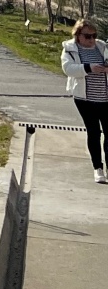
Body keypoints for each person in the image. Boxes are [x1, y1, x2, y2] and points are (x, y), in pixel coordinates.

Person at [62, 18, 108, 182]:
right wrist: (88, 68)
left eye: (94, 36)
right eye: (87, 36)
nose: (91, 40)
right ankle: (98, 168)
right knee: (94, 132)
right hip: (85, 99)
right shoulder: (70, 49)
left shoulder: (102, 47)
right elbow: (68, 69)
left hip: (105, 98)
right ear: (78, 35)